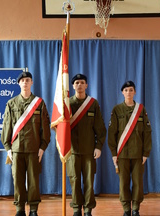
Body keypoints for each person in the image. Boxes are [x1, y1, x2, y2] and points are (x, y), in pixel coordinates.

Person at [0, 71, 51, 216]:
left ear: (32, 82)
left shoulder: (39, 103)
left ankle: (33, 209)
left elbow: (45, 127)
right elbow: (7, 127)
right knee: (18, 180)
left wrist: (43, 147)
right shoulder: (11, 103)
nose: (25, 82)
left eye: (28, 80)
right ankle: (20, 209)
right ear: (19, 84)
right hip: (16, 150)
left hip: (34, 149)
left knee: (34, 180)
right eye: (22, 80)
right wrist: (8, 148)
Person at [108, 81, 152, 216]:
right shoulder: (117, 110)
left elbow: (147, 132)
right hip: (122, 154)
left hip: (138, 154)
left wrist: (146, 153)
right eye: (126, 90)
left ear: (135, 92)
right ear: (122, 92)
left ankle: (135, 209)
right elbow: (112, 133)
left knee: (138, 182)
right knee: (123, 183)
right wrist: (114, 153)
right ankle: (126, 209)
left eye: (131, 90)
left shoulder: (141, 109)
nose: (128, 92)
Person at [67, 74, 107, 216]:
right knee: (75, 180)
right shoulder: (67, 104)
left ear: (86, 85)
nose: (79, 85)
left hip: (89, 150)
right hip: (72, 150)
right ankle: (77, 208)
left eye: (82, 82)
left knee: (89, 181)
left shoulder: (93, 104)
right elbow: (60, 128)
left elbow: (101, 129)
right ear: (73, 86)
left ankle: (88, 209)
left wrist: (98, 146)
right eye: (76, 82)